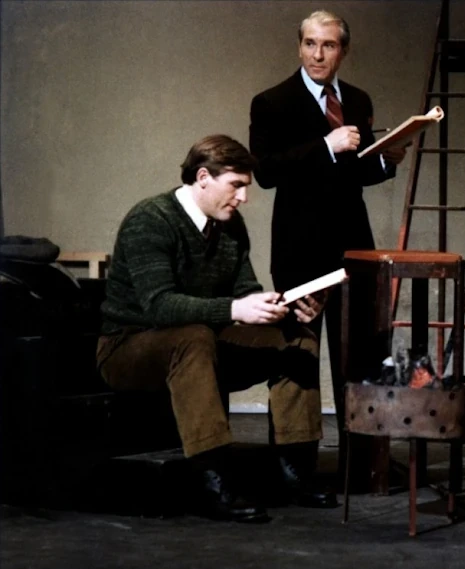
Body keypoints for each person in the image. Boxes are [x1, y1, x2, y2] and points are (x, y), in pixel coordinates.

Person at [96, 135, 338, 524]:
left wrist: (283, 308)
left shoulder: (230, 226)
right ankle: (214, 480)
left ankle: (295, 471)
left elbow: (244, 293)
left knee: (296, 339)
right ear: (204, 177)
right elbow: (159, 306)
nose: (243, 197)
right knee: (193, 338)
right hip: (128, 348)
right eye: (236, 185)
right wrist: (234, 308)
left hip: (203, 342)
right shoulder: (150, 220)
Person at [248, 10, 406, 467]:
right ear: (299, 46)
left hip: (352, 243)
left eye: (329, 45)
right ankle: (293, 466)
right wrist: (325, 146)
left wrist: (387, 159)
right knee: (297, 354)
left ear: (343, 51)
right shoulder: (272, 102)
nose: (318, 55)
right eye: (310, 44)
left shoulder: (356, 99)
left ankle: (363, 464)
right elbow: (266, 172)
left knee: (359, 353)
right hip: (299, 246)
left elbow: (356, 172)